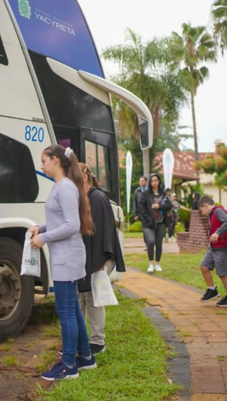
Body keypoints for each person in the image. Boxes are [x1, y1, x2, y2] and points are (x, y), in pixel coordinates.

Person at [28, 145, 96, 381]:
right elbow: (61, 220)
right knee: (73, 310)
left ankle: (68, 365)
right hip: (66, 256)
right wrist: (42, 227)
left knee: (66, 311)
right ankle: (85, 357)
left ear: (55, 161)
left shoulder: (65, 187)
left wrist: (43, 238)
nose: (42, 165)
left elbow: (71, 225)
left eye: (44, 160)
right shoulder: (64, 186)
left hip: (66, 258)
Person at [77, 163, 126, 355]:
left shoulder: (97, 197)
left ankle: (97, 341)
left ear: (85, 176)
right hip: (85, 257)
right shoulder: (82, 198)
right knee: (81, 297)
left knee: (93, 298)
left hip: (96, 257)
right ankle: (81, 338)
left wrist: (99, 261)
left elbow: (104, 232)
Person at [197, 197, 227, 308]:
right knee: (204, 267)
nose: (202, 213)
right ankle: (212, 291)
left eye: (201, 210)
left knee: (222, 274)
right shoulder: (211, 214)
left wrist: (217, 233)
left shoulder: (218, 211)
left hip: (223, 248)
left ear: (205, 205)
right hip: (213, 247)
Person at [138, 174, 171, 273]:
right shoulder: (145, 194)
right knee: (151, 242)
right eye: (152, 181)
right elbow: (141, 207)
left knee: (158, 244)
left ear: (159, 181)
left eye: (156, 181)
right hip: (148, 223)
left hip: (161, 222)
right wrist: (147, 218)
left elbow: (168, 205)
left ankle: (157, 264)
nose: (154, 183)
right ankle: (151, 264)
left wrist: (159, 206)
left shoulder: (163, 194)